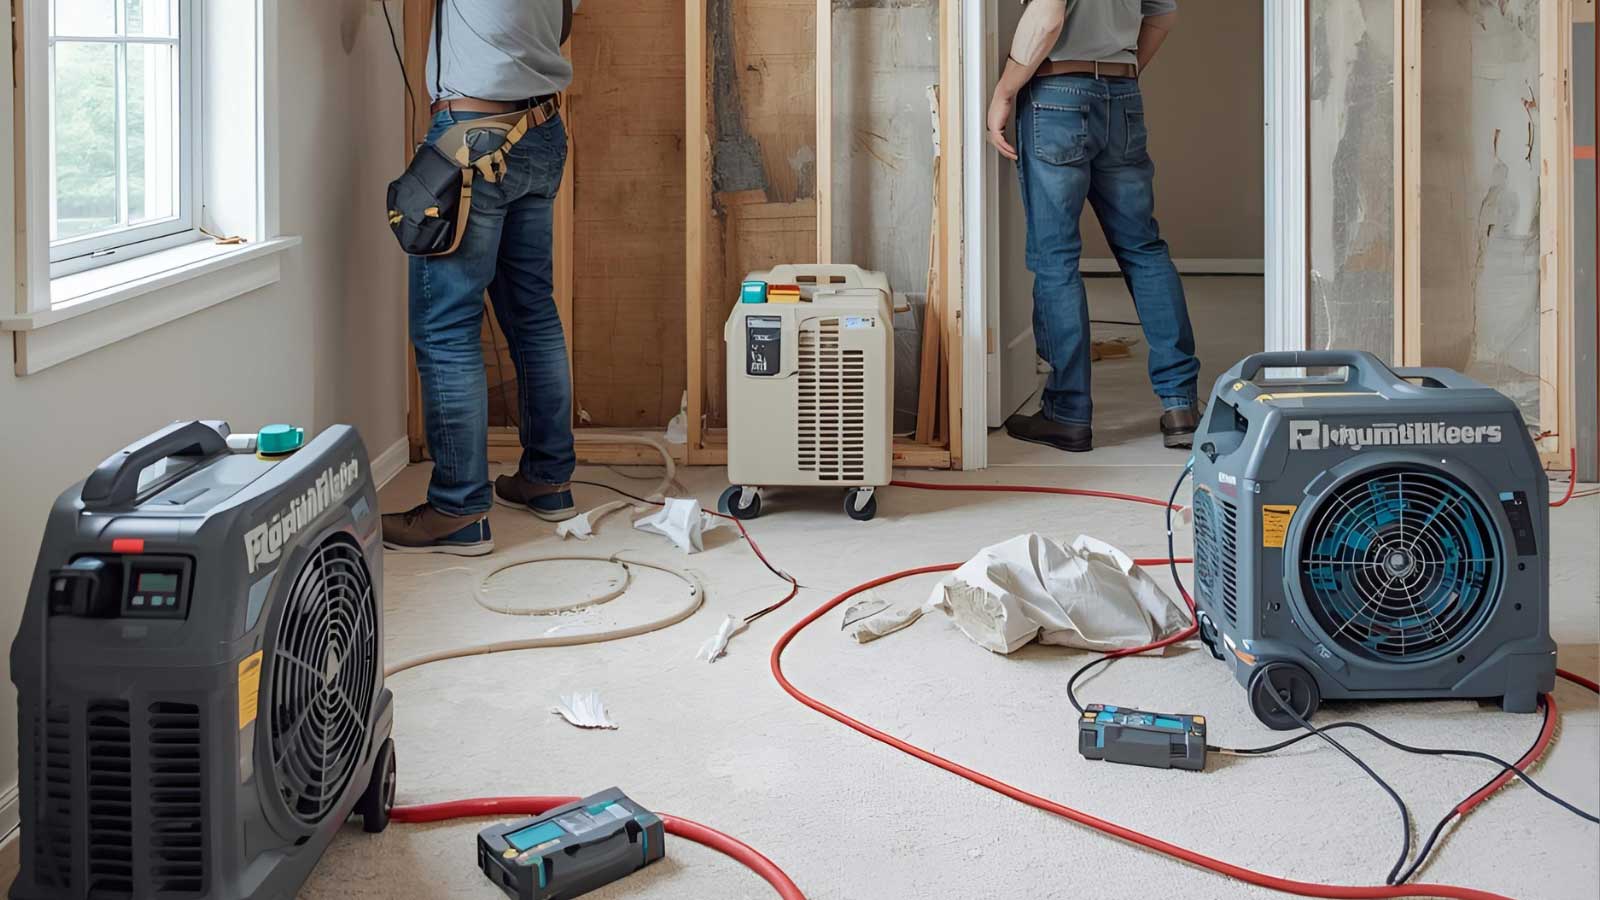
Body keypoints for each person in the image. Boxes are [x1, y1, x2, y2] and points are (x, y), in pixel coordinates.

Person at [383, 0, 579, 556]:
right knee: (533, 313)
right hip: (540, 131)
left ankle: (457, 509)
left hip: (473, 135)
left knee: (447, 330)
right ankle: (547, 478)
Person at [987, 0, 1201, 453]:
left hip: (1056, 92)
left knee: (1055, 258)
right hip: (1122, 95)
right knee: (1144, 250)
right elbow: (1162, 16)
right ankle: (1181, 405)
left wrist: (1005, 91)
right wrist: (1120, 73)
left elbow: (1048, 17)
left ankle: (1067, 414)